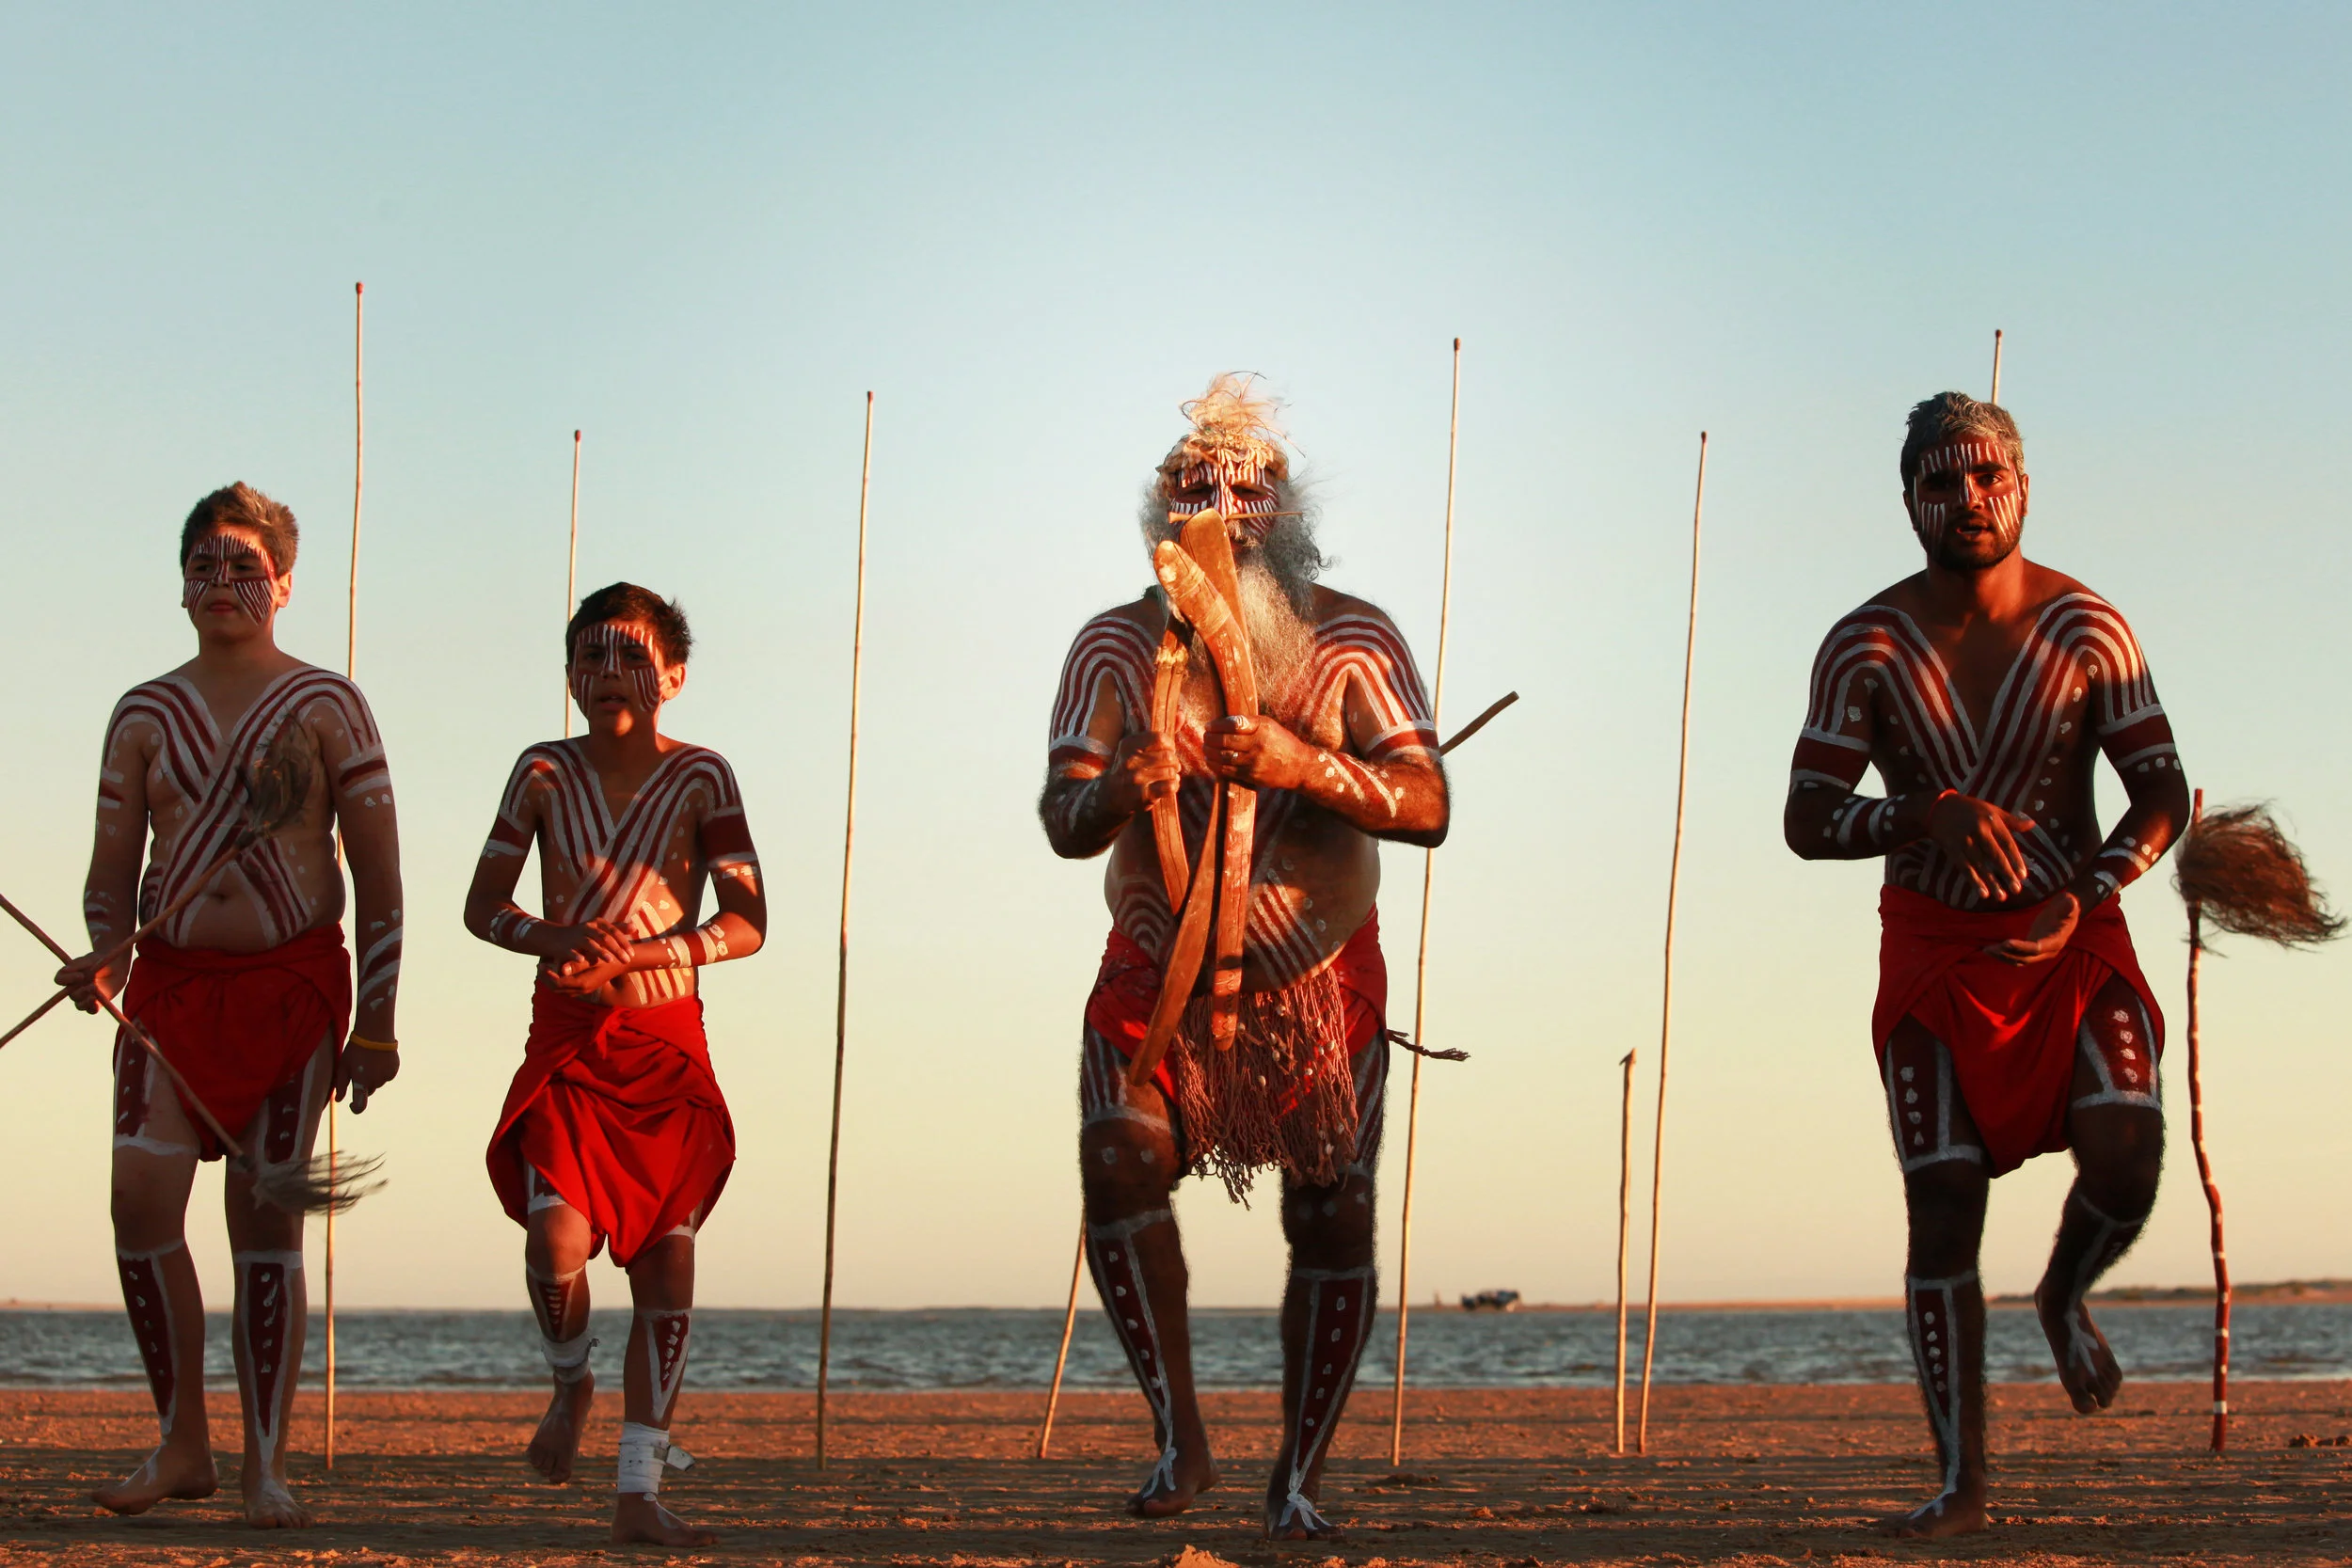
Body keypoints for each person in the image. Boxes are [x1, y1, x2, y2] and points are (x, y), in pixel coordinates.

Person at [1040, 376, 1449, 1541]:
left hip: (1315, 983)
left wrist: (1297, 762)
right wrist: (1122, 785)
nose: (1217, 511)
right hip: (1152, 977)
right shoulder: (1115, 648)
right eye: (1192, 491)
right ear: (1160, 514)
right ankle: (1181, 1436)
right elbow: (1065, 820)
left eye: (1243, 491)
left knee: (1331, 1210)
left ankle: (1299, 1468)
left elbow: (1424, 804)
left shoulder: (1351, 637)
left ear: (1287, 511)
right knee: (1117, 1158)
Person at [1785, 393, 2189, 1538]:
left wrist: (2085, 892)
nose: (1966, 500)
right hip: (1934, 947)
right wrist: (1922, 813)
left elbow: (2159, 792)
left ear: (2022, 483)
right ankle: (1962, 1481)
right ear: (1907, 497)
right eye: (1940, 483)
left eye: (1987, 478)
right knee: (1942, 1197)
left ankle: (2061, 1291)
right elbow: (1807, 815)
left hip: (2073, 925)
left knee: (2128, 1146)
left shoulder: (2087, 629)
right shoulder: (1865, 645)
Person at [55, 482, 405, 1528]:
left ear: (285, 584)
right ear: (180, 586)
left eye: (243, 565)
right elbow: (113, 868)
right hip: (167, 994)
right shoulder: (144, 712)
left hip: (293, 993)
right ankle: (181, 1443)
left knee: (265, 1224)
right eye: (203, 565)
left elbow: (380, 877)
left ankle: (264, 1462)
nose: (222, 582)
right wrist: (105, 955)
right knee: (137, 1205)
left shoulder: (328, 704)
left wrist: (376, 1020)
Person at [464, 582, 764, 1548]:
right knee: (554, 1241)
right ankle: (570, 1379)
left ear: (675, 675)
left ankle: (638, 1487)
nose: (608, 672)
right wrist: (556, 936)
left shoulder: (704, 777)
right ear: (567, 675)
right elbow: (481, 905)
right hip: (570, 1039)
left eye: (632, 655)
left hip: (666, 1041)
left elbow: (749, 920)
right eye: (588, 656)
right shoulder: (542, 771)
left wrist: (638, 955)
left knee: (667, 1265)